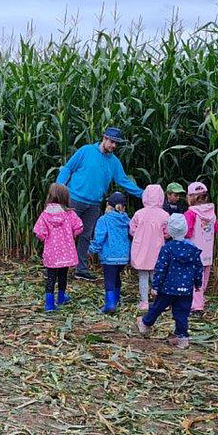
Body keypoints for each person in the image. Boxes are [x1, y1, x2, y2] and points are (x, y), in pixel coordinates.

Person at [55, 127, 143, 280]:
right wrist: (59, 189)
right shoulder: (86, 151)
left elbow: (123, 180)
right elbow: (68, 168)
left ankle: (81, 269)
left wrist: (143, 194)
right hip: (74, 199)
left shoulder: (114, 162)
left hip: (94, 204)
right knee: (64, 233)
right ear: (104, 138)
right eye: (112, 142)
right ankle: (55, 267)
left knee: (86, 236)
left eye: (116, 143)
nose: (114, 146)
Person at [136, 214, 204, 349]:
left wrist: (155, 285)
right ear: (185, 230)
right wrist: (198, 284)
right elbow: (198, 267)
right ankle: (182, 337)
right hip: (185, 289)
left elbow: (161, 268)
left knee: (157, 307)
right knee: (182, 313)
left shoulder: (167, 248)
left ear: (170, 230)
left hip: (168, 288)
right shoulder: (193, 249)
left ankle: (145, 324)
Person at [33, 183, 84, 313]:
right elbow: (79, 227)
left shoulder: (45, 215)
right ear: (65, 197)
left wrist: (47, 240)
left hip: (51, 252)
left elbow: (39, 232)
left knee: (50, 278)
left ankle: (49, 304)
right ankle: (61, 298)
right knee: (63, 275)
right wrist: (71, 235)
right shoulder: (69, 214)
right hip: (66, 251)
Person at [88, 191, 131, 313]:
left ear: (108, 204)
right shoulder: (127, 219)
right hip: (123, 257)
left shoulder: (104, 219)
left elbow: (100, 237)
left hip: (109, 256)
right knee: (117, 277)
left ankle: (110, 304)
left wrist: (92, 249)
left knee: (109, 280)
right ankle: (117, 299)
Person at [129, 184, 170, 310]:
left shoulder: (139, 213)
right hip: (157, 250)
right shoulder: (164, 215)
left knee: (143, 276)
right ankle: (158, 301)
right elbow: (167, 233)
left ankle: (144, 302)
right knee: (156, 275)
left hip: (141, 249)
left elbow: (132, 230)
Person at [184, 182, 218, 315]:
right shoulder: (211, 212)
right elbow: (217, 228)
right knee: (203, 280)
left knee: (193, 280)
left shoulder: (191, 213)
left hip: (194, 253)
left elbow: (187, 232)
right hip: (207, 253)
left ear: (191, 197)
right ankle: (199, 301)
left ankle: (196, 306)